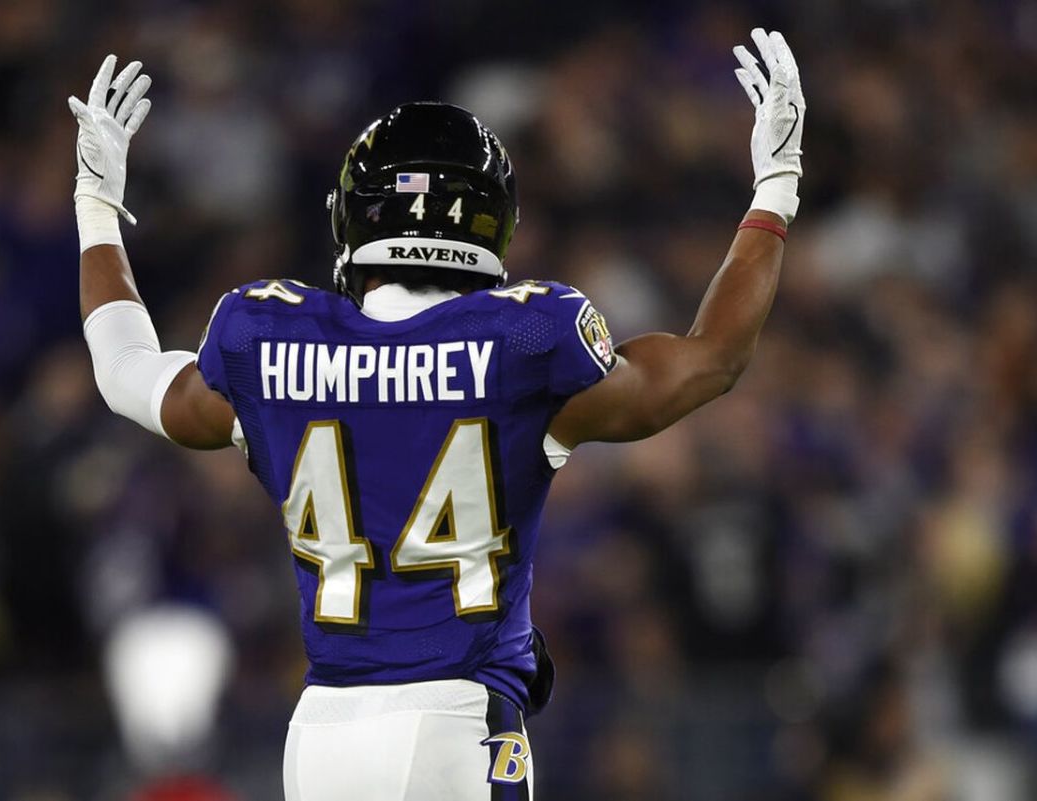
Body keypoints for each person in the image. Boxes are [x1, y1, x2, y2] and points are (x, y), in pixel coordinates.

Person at [68, 27, 804, 801]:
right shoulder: (525, 336)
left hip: (321, 733)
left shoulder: (267, 335)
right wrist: (776, 184)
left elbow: (125, 372)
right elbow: (712, 358)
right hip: (455, 719)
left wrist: (96, 206)